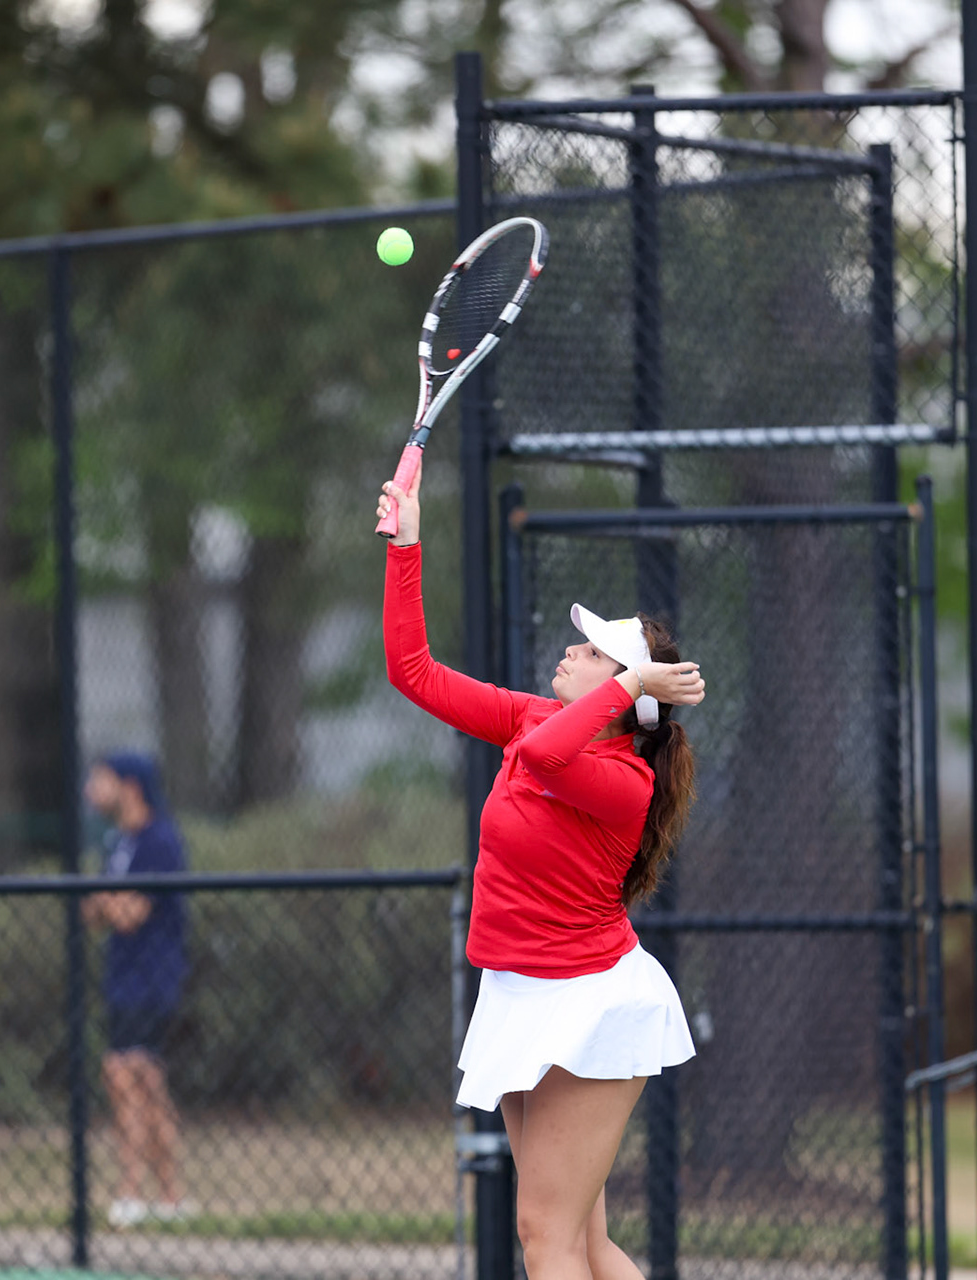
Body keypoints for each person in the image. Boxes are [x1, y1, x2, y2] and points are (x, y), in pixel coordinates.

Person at [378, 461, 705, 1280]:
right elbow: (413, 672)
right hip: (522, 991)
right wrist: (406, 548)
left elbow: (551, 756)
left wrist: (633, 682)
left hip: (589, 1002)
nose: (571, 650)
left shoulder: (624, 780)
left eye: (594, 652)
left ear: (626, 694)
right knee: (580, 1245)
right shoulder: (537, 719)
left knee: (546, 1238)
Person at [82, 752, 192, 1228]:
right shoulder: (118, 842)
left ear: (129, 786)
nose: (91, 789)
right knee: (143, 1079)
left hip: (152, 977)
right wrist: (109, 903)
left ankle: (132, 1191)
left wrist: (108, 903)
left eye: (100, 779)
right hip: (121, 976)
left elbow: (131, 914)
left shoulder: (159, 841)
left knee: (125, 1072)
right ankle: (170, 1197)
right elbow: (92, 911)